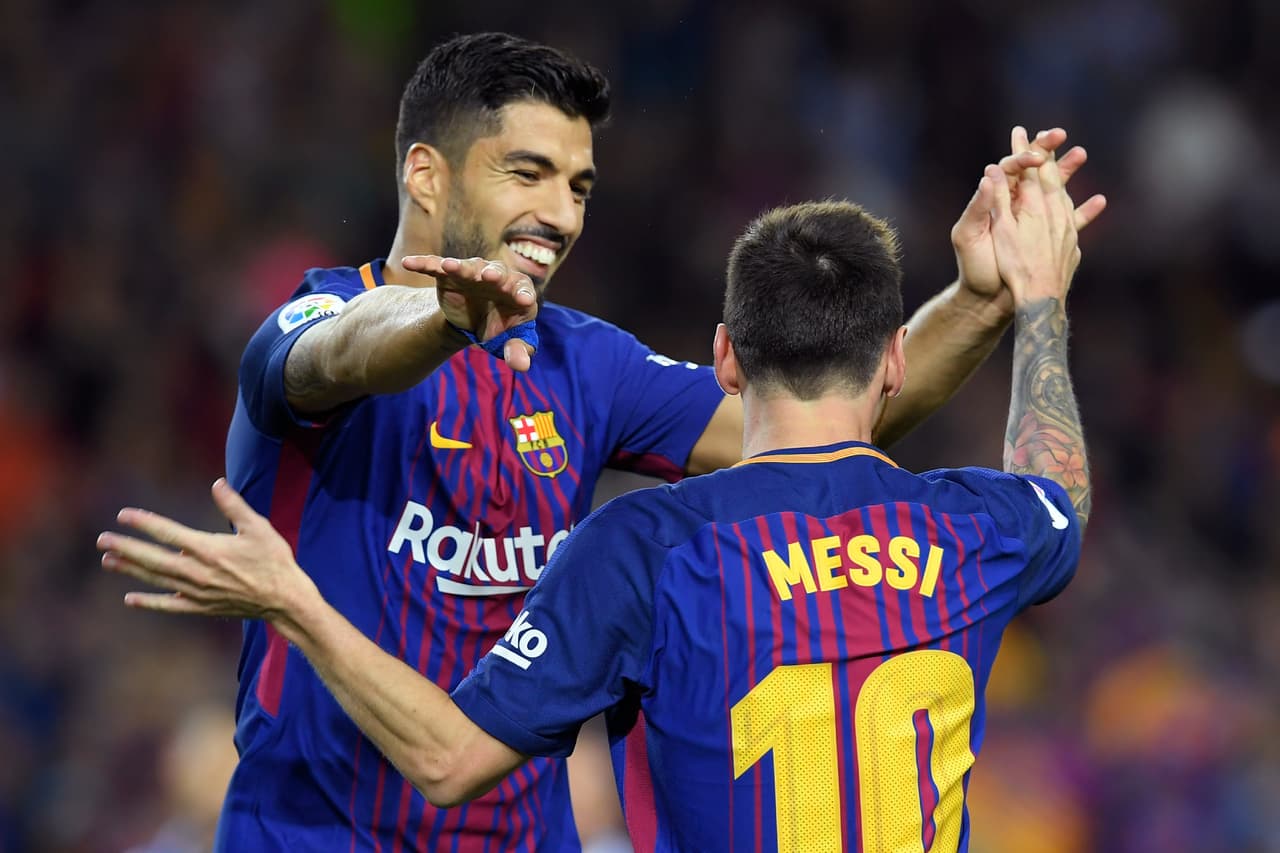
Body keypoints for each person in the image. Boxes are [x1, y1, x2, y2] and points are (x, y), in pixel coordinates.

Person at [128, 26, 1105, 850]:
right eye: (528, 172)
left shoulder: (586, 367)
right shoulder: (306, 330)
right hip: (315, 833)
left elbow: (819, 408)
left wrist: (983, 297)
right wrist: (439, 321)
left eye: (579, 186)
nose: (558, 213)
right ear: (424, 174)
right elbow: (342, 354)